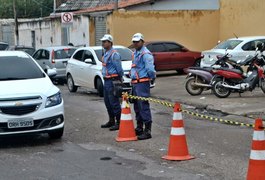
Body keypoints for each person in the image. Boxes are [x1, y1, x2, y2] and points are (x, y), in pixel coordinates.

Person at [130, 33, 156, 140]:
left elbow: (150, 69)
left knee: (143, 106)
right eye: (134, 42)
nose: (135, 43)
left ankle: (147, 130)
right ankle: (139, 127)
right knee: (137, 106)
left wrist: (152, 77)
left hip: (142, 83)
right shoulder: (135, 53)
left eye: (137, 41)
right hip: (135, 83)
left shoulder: (146, 54)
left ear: (142, 41)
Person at [100, 34, 124, 131]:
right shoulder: (105, 53)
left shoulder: (114, 54)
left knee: (114, 102)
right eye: (102, 42)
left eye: (105, 42)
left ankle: (119, 122)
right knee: (107, 102)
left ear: (110, 42)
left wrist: (120, 79)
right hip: (106, 80)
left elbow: (119, 69)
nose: (103, 43)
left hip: (113, 80)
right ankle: (111, 120)